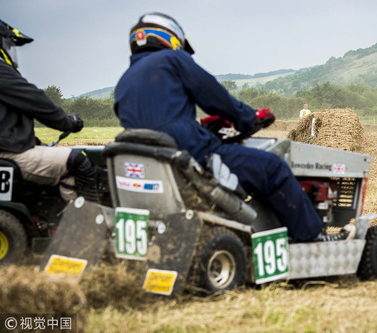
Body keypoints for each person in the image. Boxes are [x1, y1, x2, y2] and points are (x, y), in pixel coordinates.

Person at [114, 13, 355, 242]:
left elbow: (157, 121)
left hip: (149, 158)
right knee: (272, 167)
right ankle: (312, 236)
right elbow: (214, 96)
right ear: (170, 36)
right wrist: (248, 118)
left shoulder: (124, 82)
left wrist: (200, 128)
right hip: (190, 150)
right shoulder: (174, 59)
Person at [0, 19, 98, 202]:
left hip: (8, 149)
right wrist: (67, 122)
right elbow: (34, 99)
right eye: (7, 44)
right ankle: (90, 224)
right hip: (8, 153)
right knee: (78, 161)